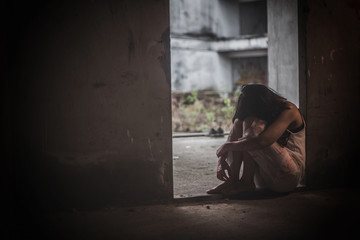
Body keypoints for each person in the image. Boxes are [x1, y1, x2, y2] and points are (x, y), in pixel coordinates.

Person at [207, 84, 305, 195]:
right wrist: (221, 159)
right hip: (264, 175)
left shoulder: (289, 110)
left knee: (252, 127)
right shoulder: (267, 108)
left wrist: (225, 147)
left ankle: (246, 182)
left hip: (288, 177)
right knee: (239, 122)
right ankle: (233, 180)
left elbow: (263, 141)